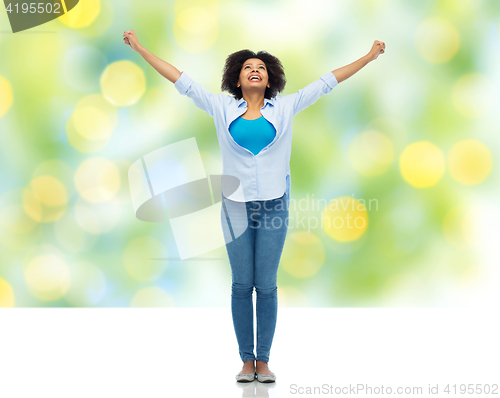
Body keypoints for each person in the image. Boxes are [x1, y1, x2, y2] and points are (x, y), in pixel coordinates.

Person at [123, 30, 385, 383]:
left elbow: (327, 82)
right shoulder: (220, 106)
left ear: (270, 77)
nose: (255, 70)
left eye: (261, 67)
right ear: (238, 77)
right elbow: (180, 80)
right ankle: (246, 362)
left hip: (274, 206)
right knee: (241, 285)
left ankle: (264, 361)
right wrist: (141, 48)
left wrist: (368, 58)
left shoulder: (287, 106)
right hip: (235, 208)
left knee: (267, 285)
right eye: (248, 67)